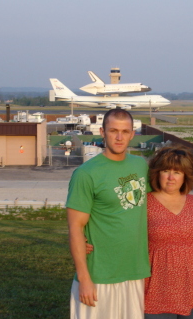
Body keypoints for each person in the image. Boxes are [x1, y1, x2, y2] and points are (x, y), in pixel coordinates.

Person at [66, 108, 150, 319]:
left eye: (125, 131)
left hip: (135, 272)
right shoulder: (86, 174)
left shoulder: (141, 166)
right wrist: (85, 279)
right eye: (113, 130)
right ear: (102, 132)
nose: (119, 137)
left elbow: (161, 199)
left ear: (132, 133)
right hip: (99, 275)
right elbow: (75, 226)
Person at [144, 146, 193, 319]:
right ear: (157, 173)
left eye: (177, 172)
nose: (170, 177)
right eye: (165, 171)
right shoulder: (144, 204)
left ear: (185, 176)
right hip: (158, 288)